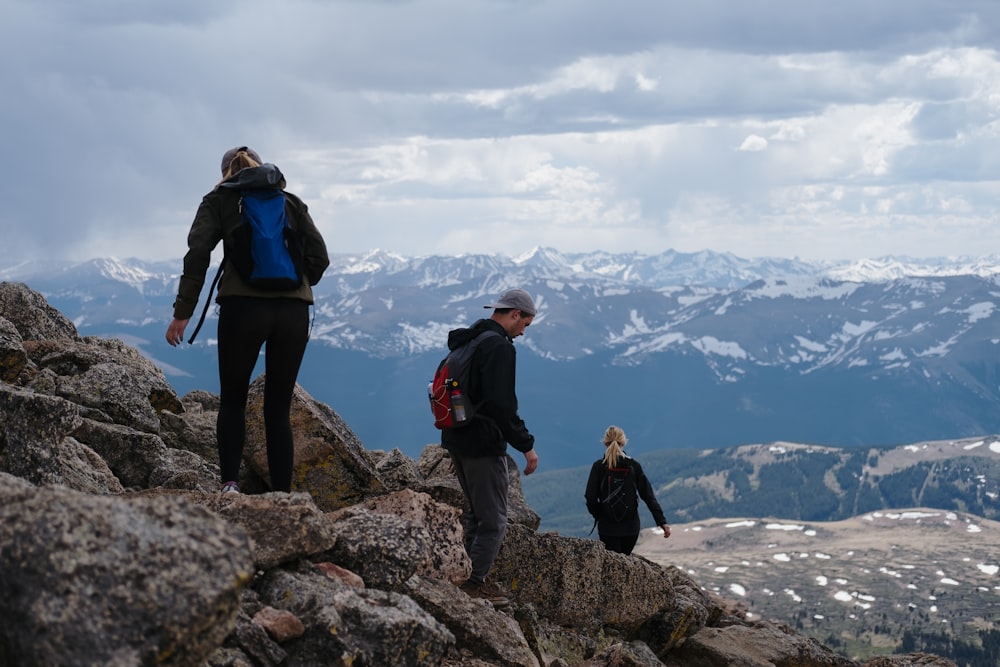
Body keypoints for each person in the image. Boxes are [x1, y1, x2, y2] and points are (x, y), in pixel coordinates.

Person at [165, 146, 330, 494]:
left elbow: (198, 253)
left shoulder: (219, 200)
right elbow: (320, 256)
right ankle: (282, 496)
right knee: (278, 409)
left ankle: (230, 486)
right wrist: (296, 284)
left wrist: (183, 313)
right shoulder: (289, 201)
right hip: (292, 313)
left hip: (243, 310)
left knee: (234, 400)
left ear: (225, 172)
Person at [442, 288, 539, 607]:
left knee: (476, 515)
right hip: (482, 443)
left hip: (458, 438)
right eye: (526, 323)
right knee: (495, 519)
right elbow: (501, 404)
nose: (524, 331)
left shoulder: (469, 339)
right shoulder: (498, 347)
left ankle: (463, 573)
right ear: (515, 314)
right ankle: (473, 583)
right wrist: (526, 445)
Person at [585, 425, 670, 555]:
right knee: (624, 562)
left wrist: (599, 515)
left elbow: (590, 497)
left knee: (613, 566)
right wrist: (662, 521)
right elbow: (648, 496)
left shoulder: (599, 467)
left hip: (608, 528)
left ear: (605, 442)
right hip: (631, 527)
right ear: (623, 441)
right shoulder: (634, 466)